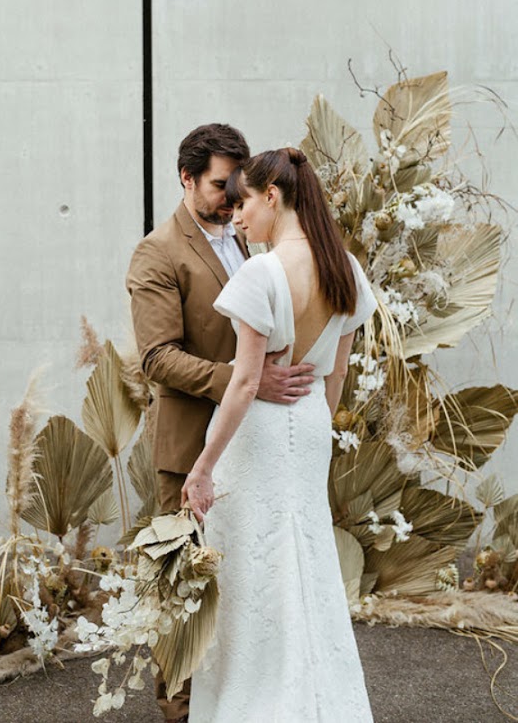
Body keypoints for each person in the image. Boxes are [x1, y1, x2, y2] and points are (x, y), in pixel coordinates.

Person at [126, 126, 316, 723]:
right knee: (182, 598)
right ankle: (179, 714)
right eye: (217, 186)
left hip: (255, 451)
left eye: (238, 186)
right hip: (189, 450)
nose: (232, 199)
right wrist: (245, 379)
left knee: (244, 600)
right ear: (185, 179)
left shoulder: (257, 243)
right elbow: (158, 356)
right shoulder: (158, 252)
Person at [183, 147, 376, 723]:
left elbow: (244, 384)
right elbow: (336, 373)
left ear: (273, 197)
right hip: (311, 419)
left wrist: (203, 468)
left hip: (260, 430)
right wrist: (314, 421)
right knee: (306, 557)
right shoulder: (346, 266)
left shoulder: (261, 272)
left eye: (243, 203)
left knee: (252, 565)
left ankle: (256, 702)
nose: (236, 216)